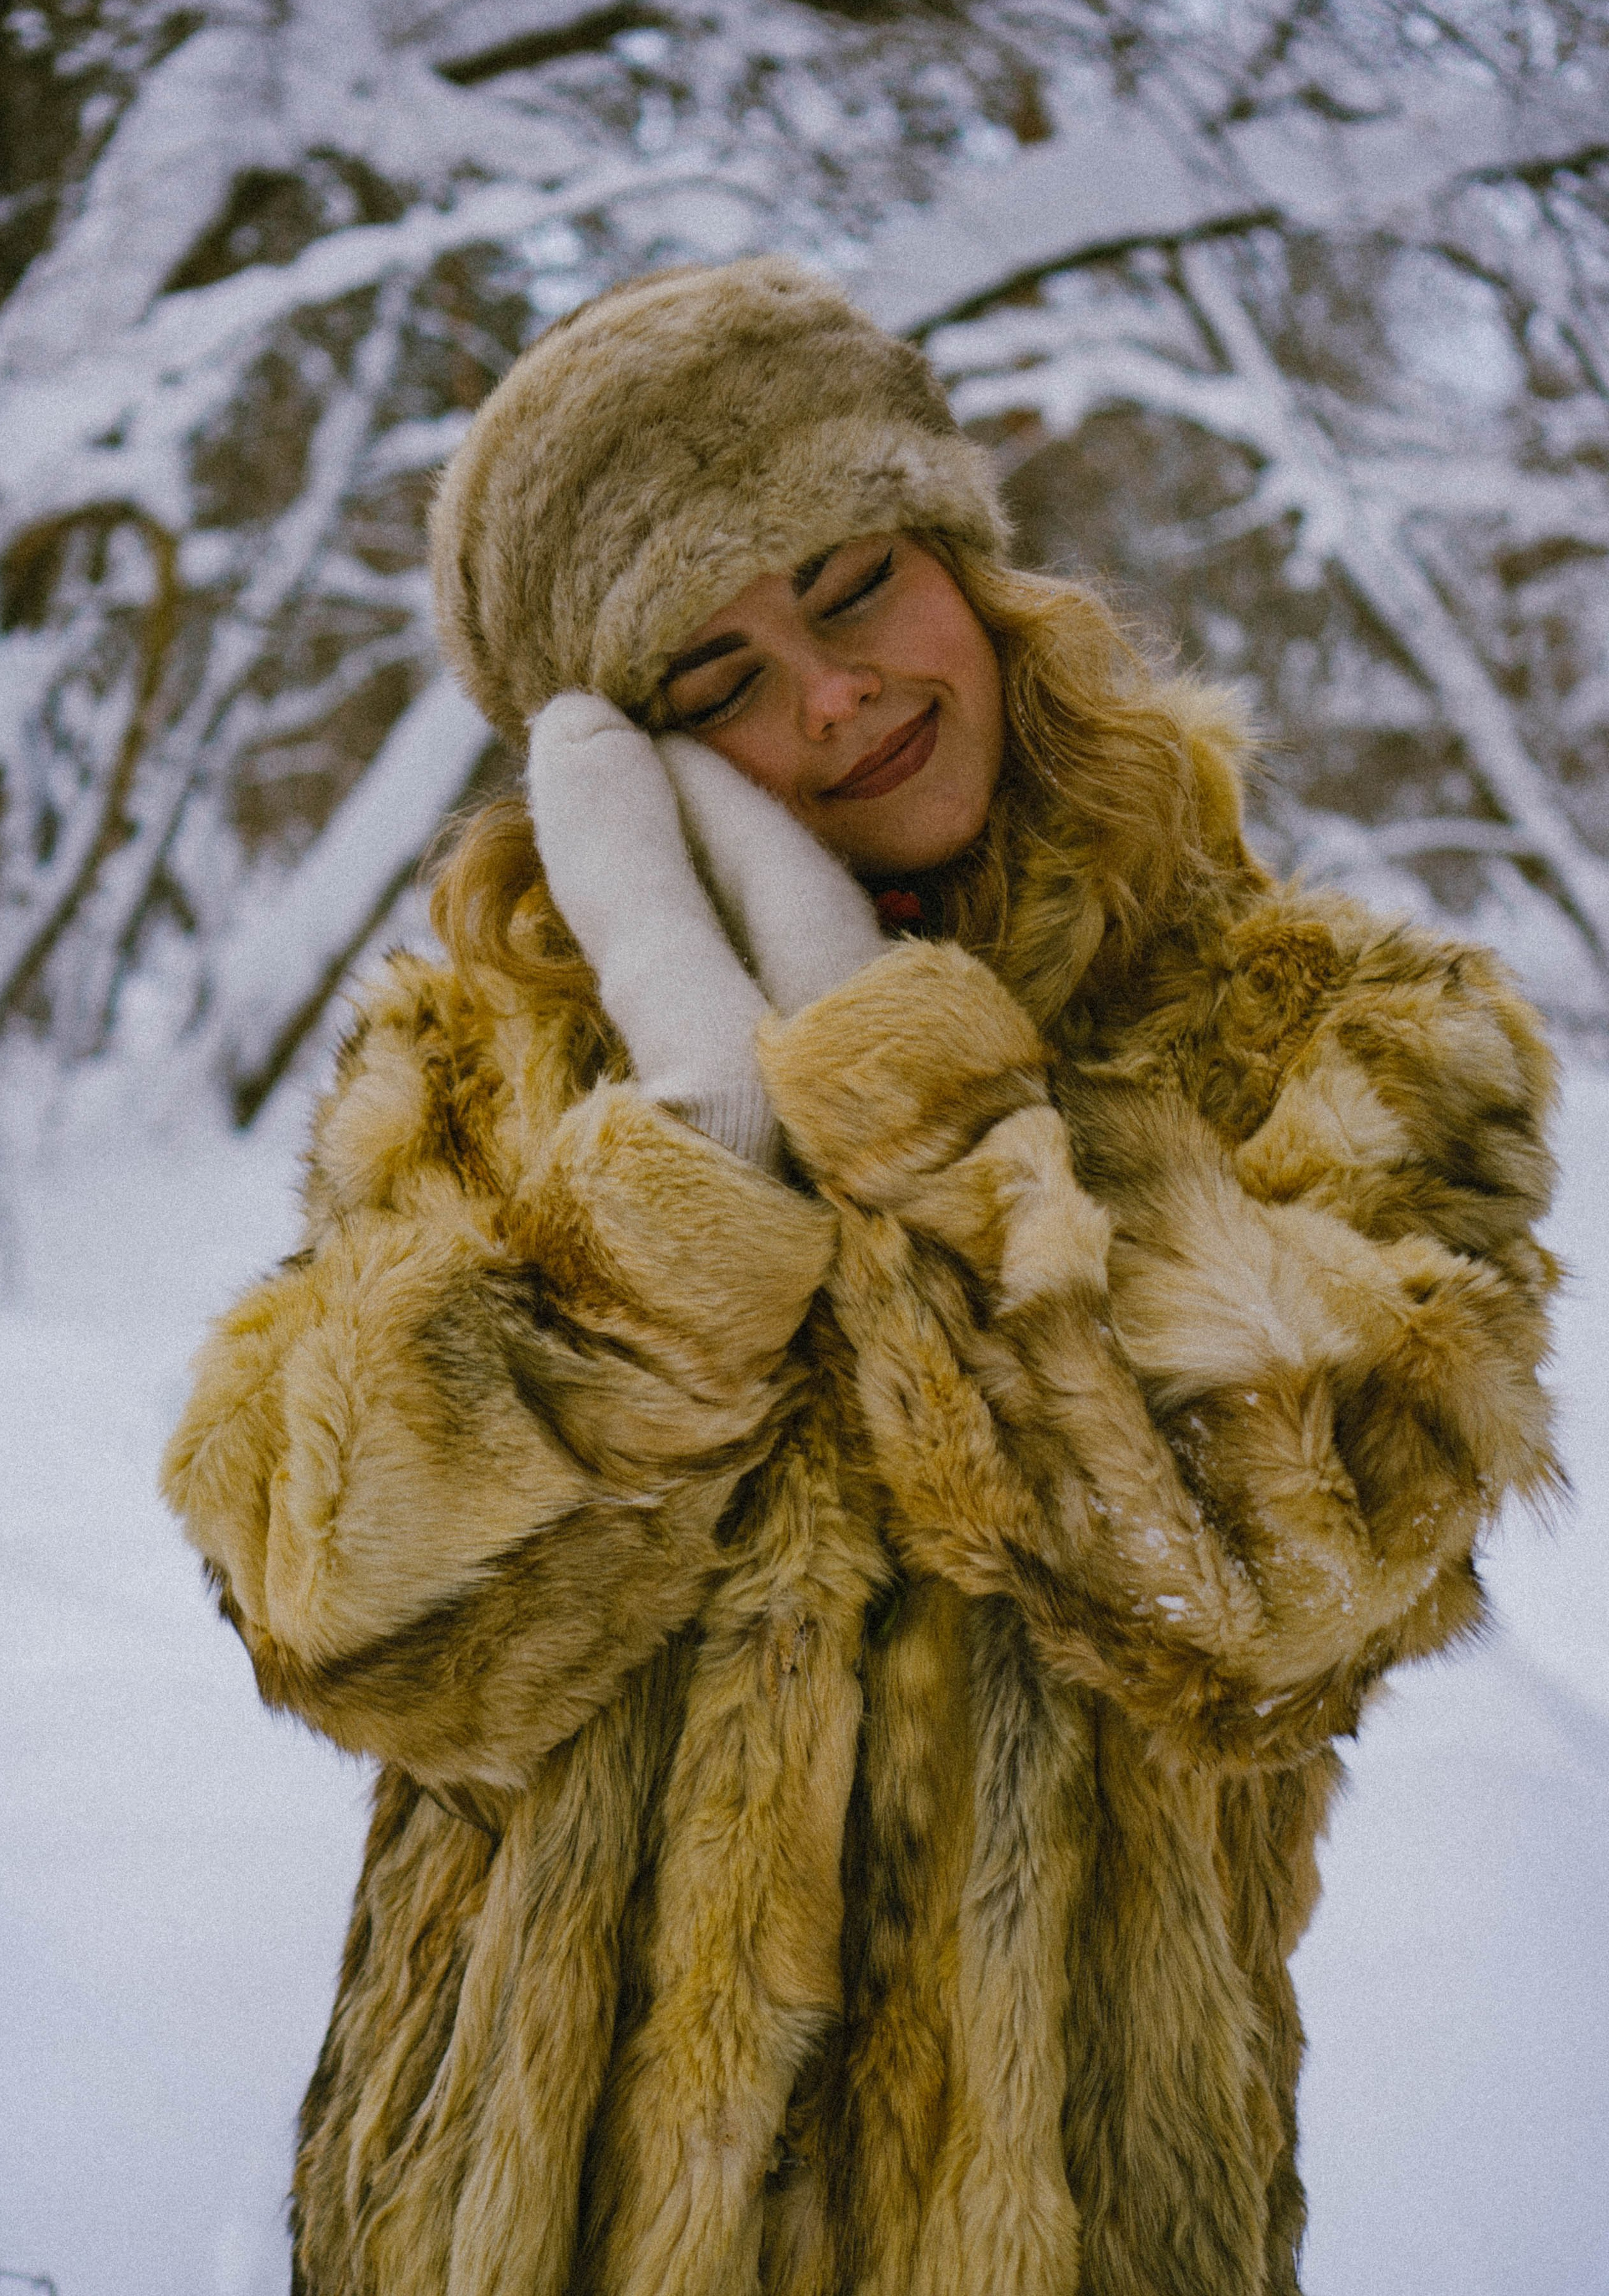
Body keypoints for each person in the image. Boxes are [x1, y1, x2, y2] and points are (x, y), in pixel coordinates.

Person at [161, 257, 1560, 2296]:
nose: (831, 699)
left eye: (850, 583)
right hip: (507, 2233)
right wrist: (691, 1166)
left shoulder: (1339, 1034)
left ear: (969, 568)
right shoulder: (484, 1067)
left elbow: (1271, 1601)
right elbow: (337, 1618)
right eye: (710, 682)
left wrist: (904, 1092)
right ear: (624, 762)